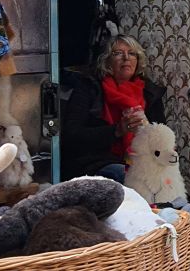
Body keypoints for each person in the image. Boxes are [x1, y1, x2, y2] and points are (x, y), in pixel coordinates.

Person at [62, 33, 168, 181]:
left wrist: (147, 128)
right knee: (131, 177)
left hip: (142, 160)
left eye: (132, 54)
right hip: (97, 162)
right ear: (107, 62)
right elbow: (72, 136)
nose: (126, 58)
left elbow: (163, 139)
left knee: (166, 178)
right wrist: (117, 130)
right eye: (118, 53)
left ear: (137, 61)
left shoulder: (149, 92)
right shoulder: (89, 88)